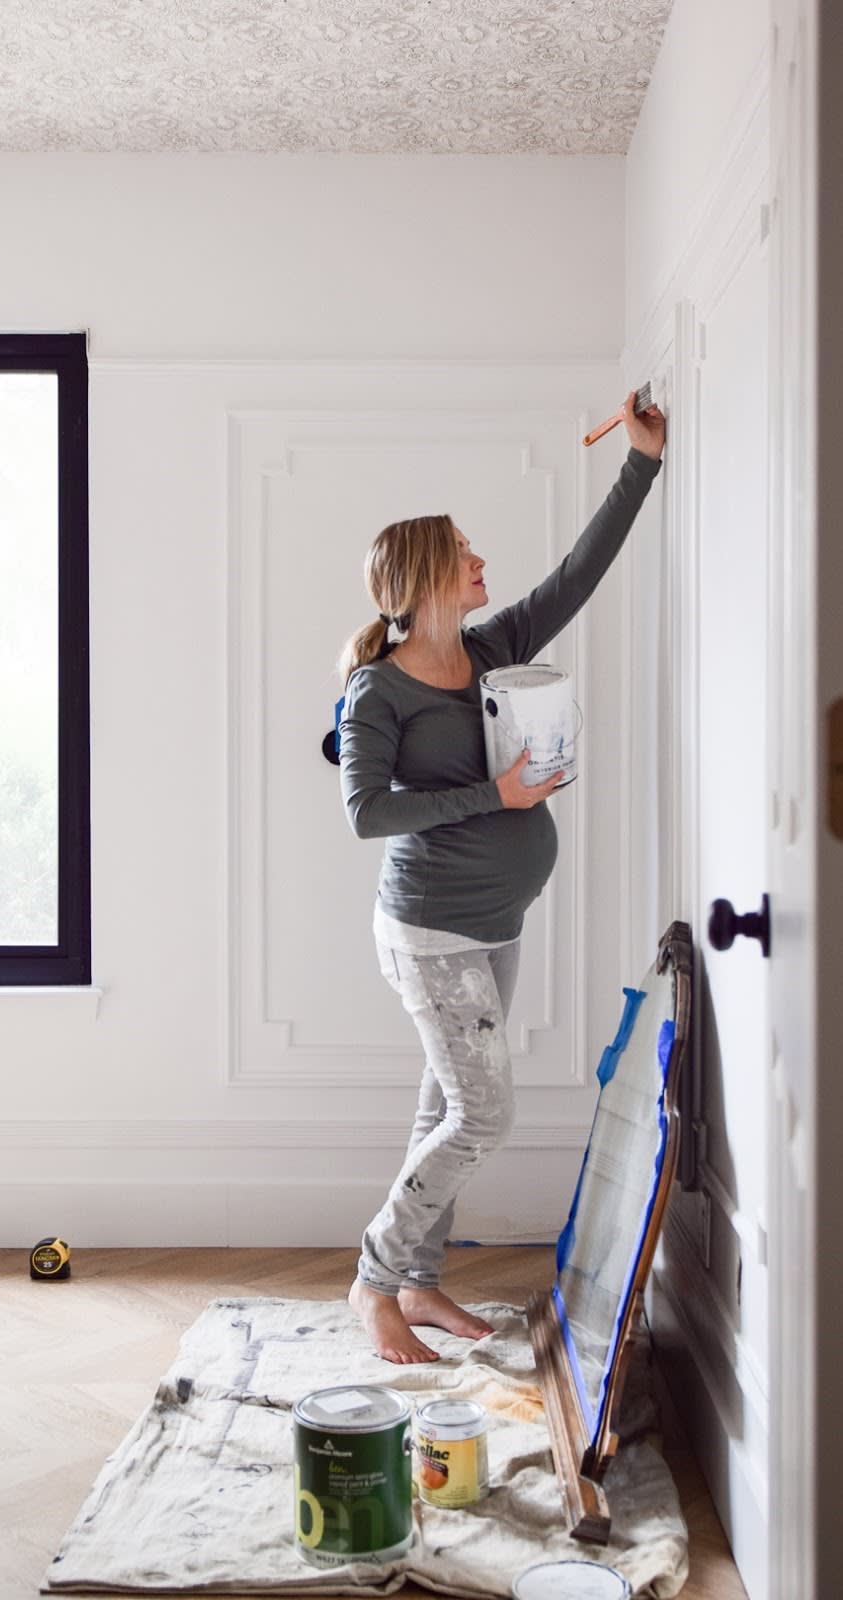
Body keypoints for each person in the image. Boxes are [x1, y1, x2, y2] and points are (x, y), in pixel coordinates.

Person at [336, 392, 666, 1364]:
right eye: (467, 555)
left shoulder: (483, 652)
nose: (483, 565)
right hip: (430, 929)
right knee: (483, 1112)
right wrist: (496, 795)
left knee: (446, 1104)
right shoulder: (377, 690)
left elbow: (575, 578)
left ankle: (419, 1281)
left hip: (494, 917)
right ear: (427, 575)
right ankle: (373, 1277)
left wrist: (640, 464)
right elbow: (367, 812)